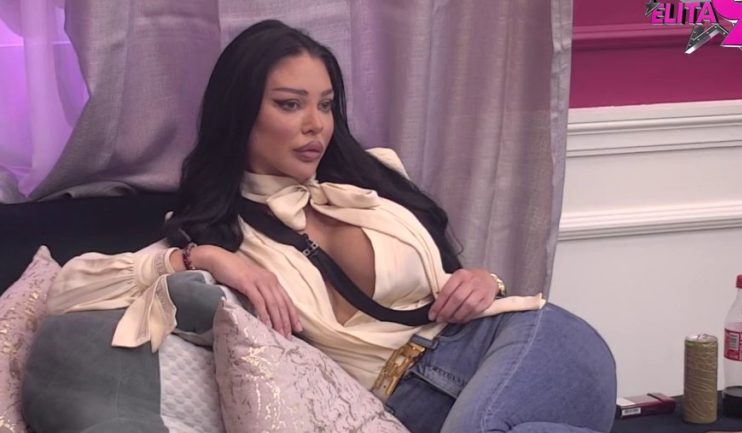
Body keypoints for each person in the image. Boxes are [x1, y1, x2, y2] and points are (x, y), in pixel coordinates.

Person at [45, 20, 616, 433]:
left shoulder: (374, 178)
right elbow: (68, 289)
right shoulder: (216, 234)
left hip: (522, 341)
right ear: (240, 113)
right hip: (409, 406)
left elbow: (452, 277)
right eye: (290, 104)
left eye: (325, 104)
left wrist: (484, 280)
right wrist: (206, 259)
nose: (315, 125)